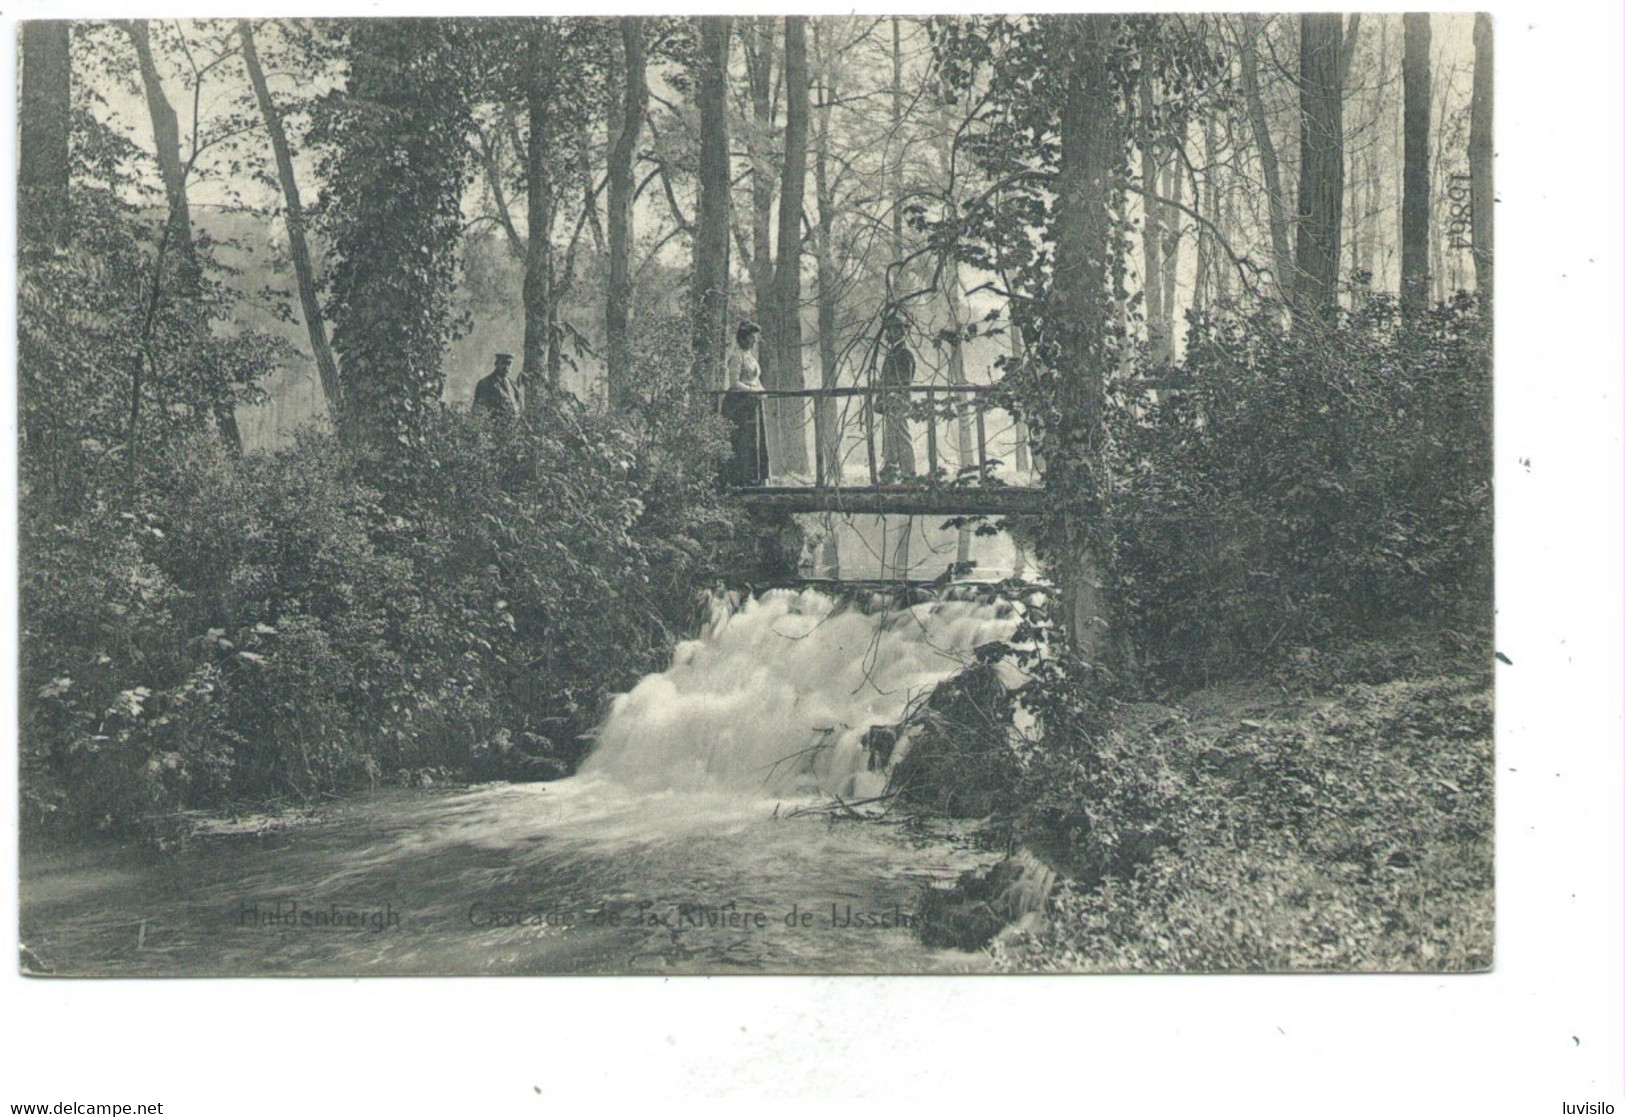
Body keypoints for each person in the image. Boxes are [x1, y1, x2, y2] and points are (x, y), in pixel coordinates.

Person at [719, 321, 769, 486]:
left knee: (755, 439)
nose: (754, 341)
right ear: (742, 338)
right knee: (742, 440)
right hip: (738, 405)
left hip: (752, 404)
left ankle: (756, 477)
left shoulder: (750, 357)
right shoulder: (736, 356)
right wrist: (753, 391)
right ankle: (741, 480)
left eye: (754, 338)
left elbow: (755, 380)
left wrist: (762, 391)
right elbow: (734, 383)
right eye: (750, 337)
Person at [878, 315, 917, 480]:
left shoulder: (904, 353)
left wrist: (894, 394)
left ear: (902, 331)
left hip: (898, 400)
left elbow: (905, 380)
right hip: (890, 400)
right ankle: (890, 472)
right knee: (890, 437)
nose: (892, 332)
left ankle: (909, 473)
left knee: (901, 436)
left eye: (896, 329)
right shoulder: (894, 352)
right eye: (890, 329)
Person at [473, 352, 525, 417]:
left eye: (509, 364)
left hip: (513, 425)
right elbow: (478, 409)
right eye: (503, 363)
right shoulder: (486, 383)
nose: (506, 367)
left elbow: (518, 407)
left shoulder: (513, 385)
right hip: (495, 424)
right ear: (496, 364)